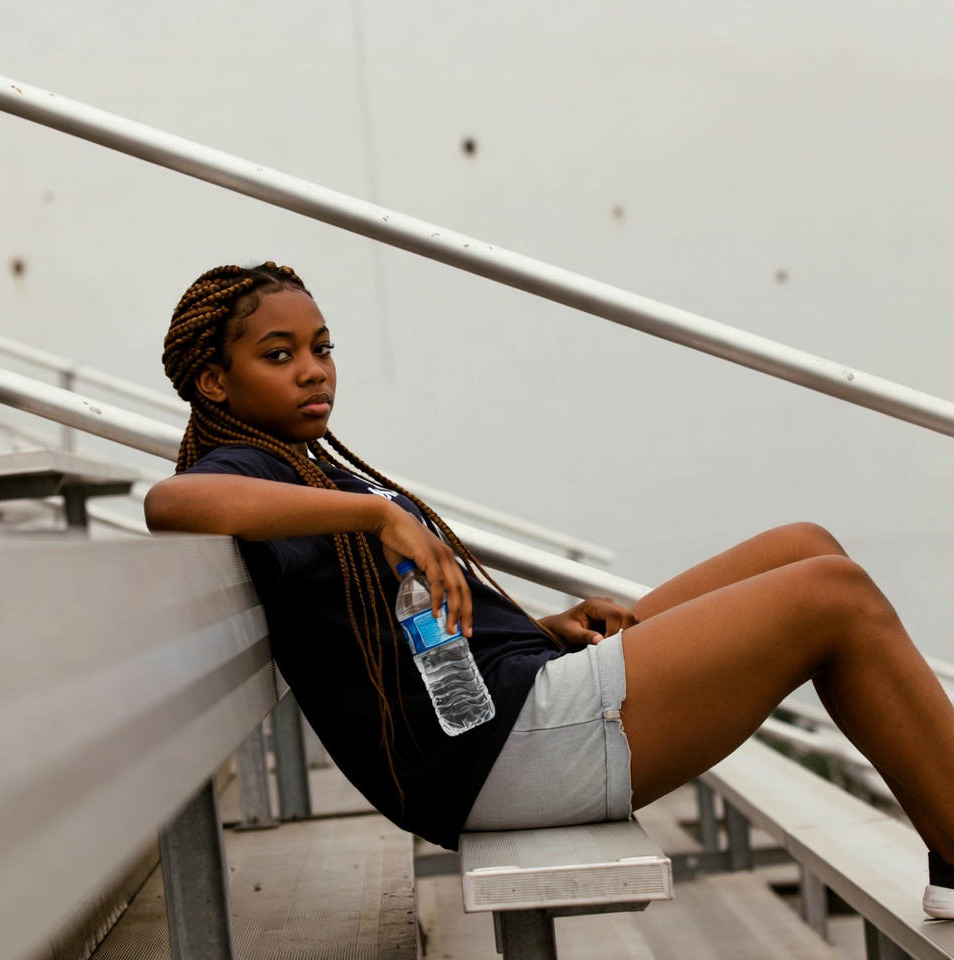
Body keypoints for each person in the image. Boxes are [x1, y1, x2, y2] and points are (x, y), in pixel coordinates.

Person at [146, 261, 954, 918]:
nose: (314, 370)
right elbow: (169, 503)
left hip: (518, 699)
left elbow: (396, 636)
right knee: (831, 596)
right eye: (278, 355)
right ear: (215, 384)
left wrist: (539, 625)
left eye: (322, 347)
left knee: (802, 547)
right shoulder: (244, 469)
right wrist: (377, 517)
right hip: (497, 755)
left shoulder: (302, 468)